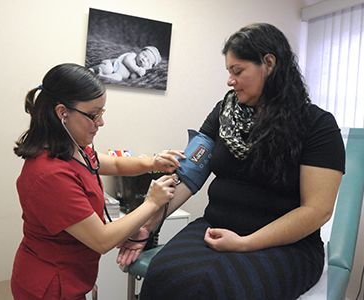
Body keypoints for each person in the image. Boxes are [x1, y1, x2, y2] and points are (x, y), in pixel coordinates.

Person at [117, 23, 345, 300]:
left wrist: (246, 243)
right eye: (229, 72)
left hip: (286, 244)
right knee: (165, 274)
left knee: (230, 289)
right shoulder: (223, 113)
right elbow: (189, 176)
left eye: (238, 71)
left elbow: (317, 211)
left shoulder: (317, 125)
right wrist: (147, 226)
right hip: (214, 228)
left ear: (268, 63)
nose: (230, 80)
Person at [10, 63, 184, 300]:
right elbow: (101, 240)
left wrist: (153, 162)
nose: (100, 123)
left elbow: (115, 164)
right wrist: (152, 202)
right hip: (50, 286)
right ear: (63, 113)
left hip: (72, 278)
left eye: (101, 113)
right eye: (94, 115)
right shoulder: (49, 175)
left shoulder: (74, 148)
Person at [89, 46, 161, 82]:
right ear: (140, 51)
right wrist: (137, 69)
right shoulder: (133, 56)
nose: (144, 59)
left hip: (116, 73)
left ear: (150, 66)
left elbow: (132, 77)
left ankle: (101, 76)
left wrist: (144, 69)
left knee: (118, 78)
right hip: (112, 64)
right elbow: (126, 60)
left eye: (148, 61)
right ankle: (93, 69)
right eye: (144, 55)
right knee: (108, 69)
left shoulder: (137, 71)